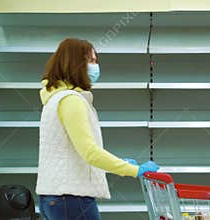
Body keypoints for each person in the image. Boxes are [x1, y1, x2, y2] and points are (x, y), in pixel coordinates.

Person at [35, 38, 159, 220]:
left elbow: (71, 154)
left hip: (53, 199)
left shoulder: (54, 99)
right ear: (75, 64)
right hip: (72, 200)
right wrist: (133, 170)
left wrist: (115, 164)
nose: (95, 66)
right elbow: (90, 152)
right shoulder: (71, 101)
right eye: (91, 61)